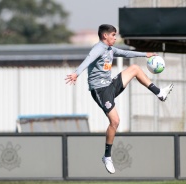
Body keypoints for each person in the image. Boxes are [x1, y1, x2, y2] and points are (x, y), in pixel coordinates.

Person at [65, 24, 173, 174]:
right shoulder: (98, 48)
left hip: (110, 86)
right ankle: (107, 156)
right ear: (105, 36)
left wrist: (145, 54)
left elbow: (125, 53)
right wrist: (76, 73)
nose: (115, 38)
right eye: (113, 35)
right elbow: (88, 59)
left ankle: (159, 93)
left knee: (135, 68)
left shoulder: (110, 49)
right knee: (115, 121)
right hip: (100, 91)